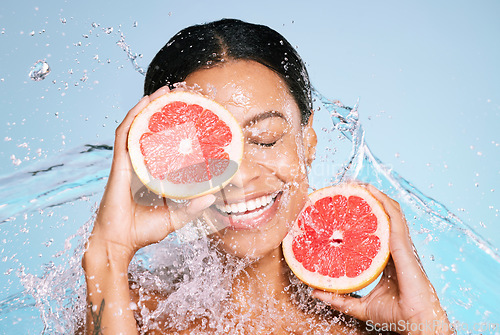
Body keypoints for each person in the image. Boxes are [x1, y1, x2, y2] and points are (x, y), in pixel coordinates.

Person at [81, 19, 454, 334]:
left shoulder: (373, 326)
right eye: (207, 152)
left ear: (308, 141)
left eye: (265, 139)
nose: (239, 176)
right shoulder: (132, 311)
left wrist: (427, 321)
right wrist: (107, 255)